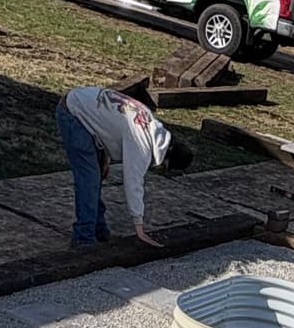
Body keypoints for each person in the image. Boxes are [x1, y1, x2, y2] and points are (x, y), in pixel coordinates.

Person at [55, 80, 192, 248]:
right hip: (74, 113)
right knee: (89, 180)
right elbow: (133, 183)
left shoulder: (149, 124)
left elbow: (111, 125)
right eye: (163, 167)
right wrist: (139, 225)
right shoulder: (142, 144)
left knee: (95, 177)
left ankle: (99, 231)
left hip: (84, 105)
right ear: (167, 158)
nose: (156, 167)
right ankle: (83, 239)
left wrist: (105, 157)